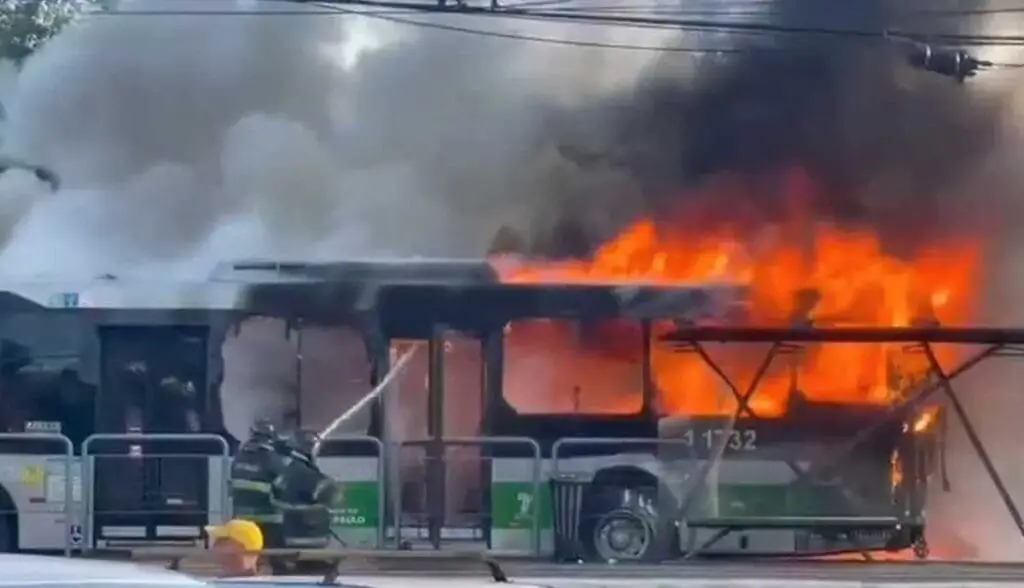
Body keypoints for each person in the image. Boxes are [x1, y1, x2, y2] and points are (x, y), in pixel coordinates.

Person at [273, 429, 342, 549]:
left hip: (286, 536)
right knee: (339, 548)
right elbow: (335, 497)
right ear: (311, 449)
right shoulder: (309, 475)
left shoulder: (285, 471)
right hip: (312, 538)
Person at [229, 420, 289, 550]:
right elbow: (285, 487)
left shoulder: (239, 456)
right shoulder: (272, 458)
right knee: (281, 555)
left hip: (241, 519)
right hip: (267, 518)